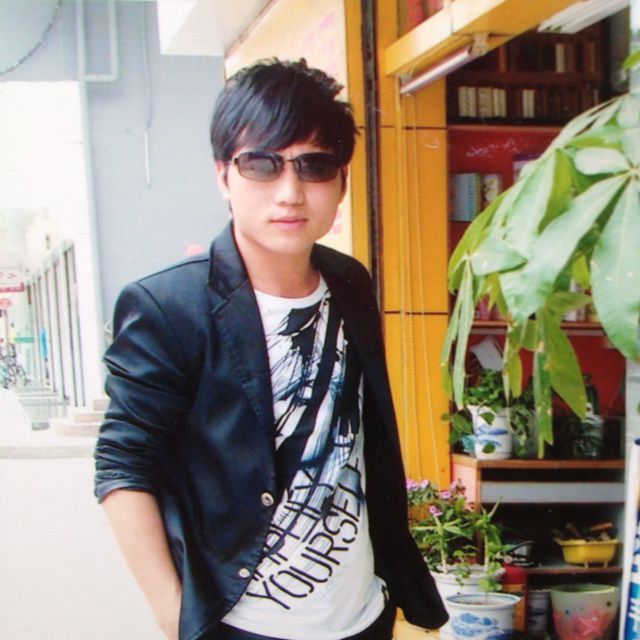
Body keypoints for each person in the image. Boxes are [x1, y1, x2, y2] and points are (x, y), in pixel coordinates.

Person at [94, 59, 447, 640]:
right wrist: (173, 613)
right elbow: (122, 466)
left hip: (361, 615)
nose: (290, 193)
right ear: (223, 176)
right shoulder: (169, 306)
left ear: (342, 182)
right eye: (261, 164)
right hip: (241, 621)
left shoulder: (350, 283)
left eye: (314, 166)